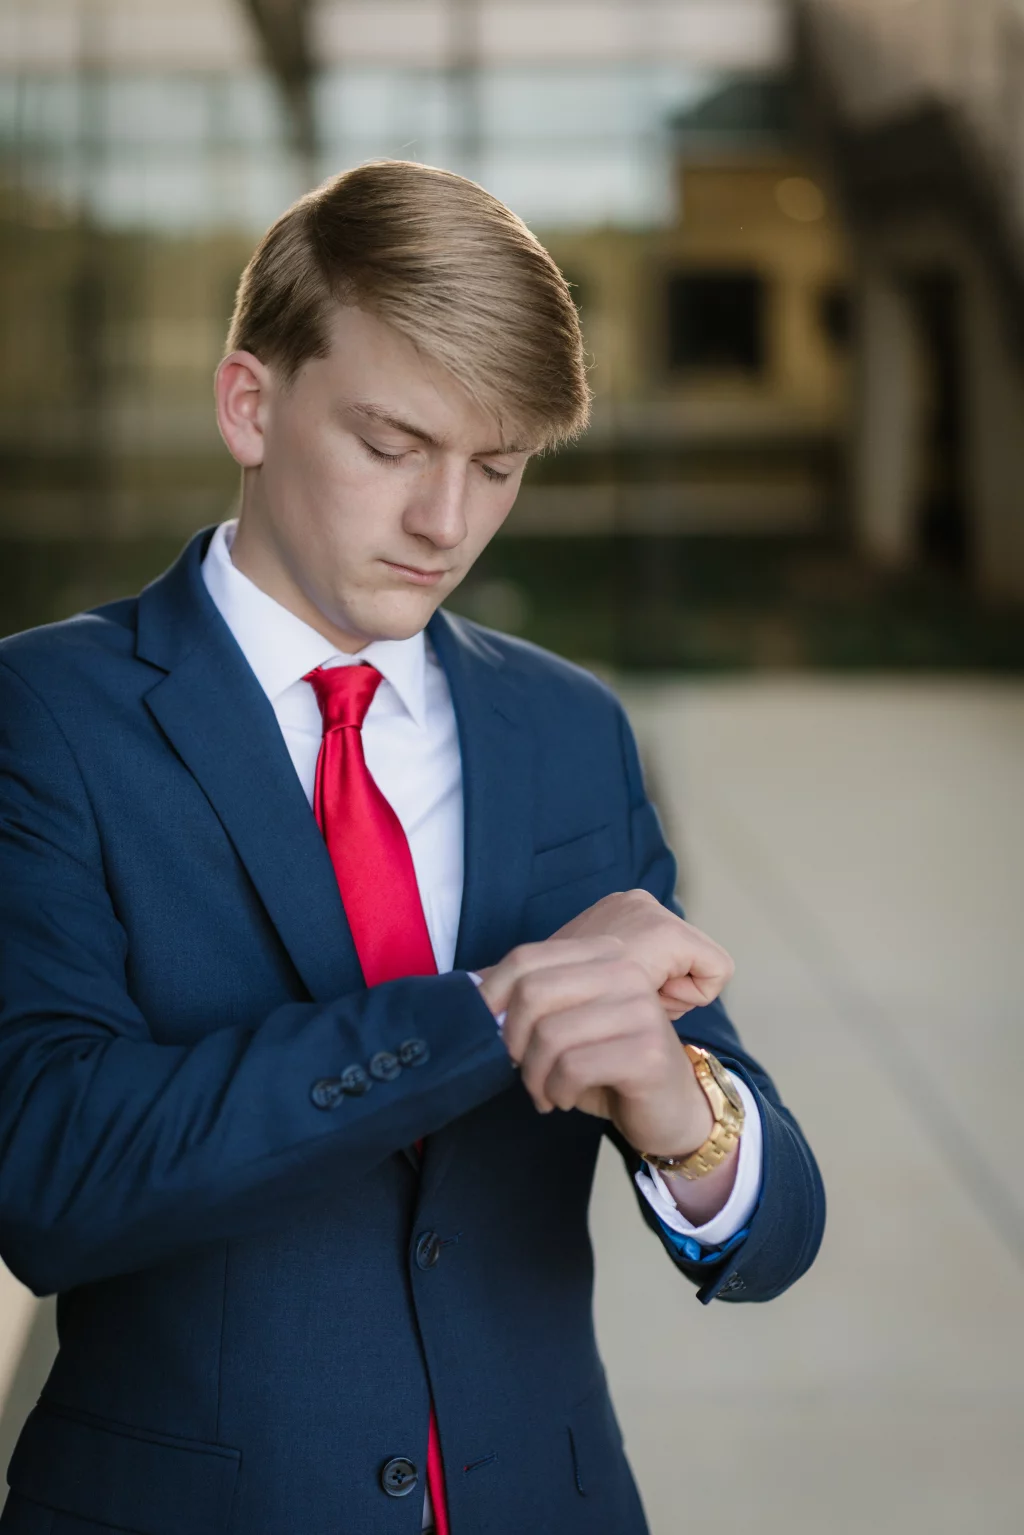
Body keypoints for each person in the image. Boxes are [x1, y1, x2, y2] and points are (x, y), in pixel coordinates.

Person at [0, 160, 824, 1535]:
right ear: (248, 404)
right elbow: (48, 1176)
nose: (448, 522)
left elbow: (774, 1238)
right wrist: (485, 1015)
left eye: (497, 468)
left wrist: (685, 1117)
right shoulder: (46, 714)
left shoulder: (569, 729)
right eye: (393, 447)